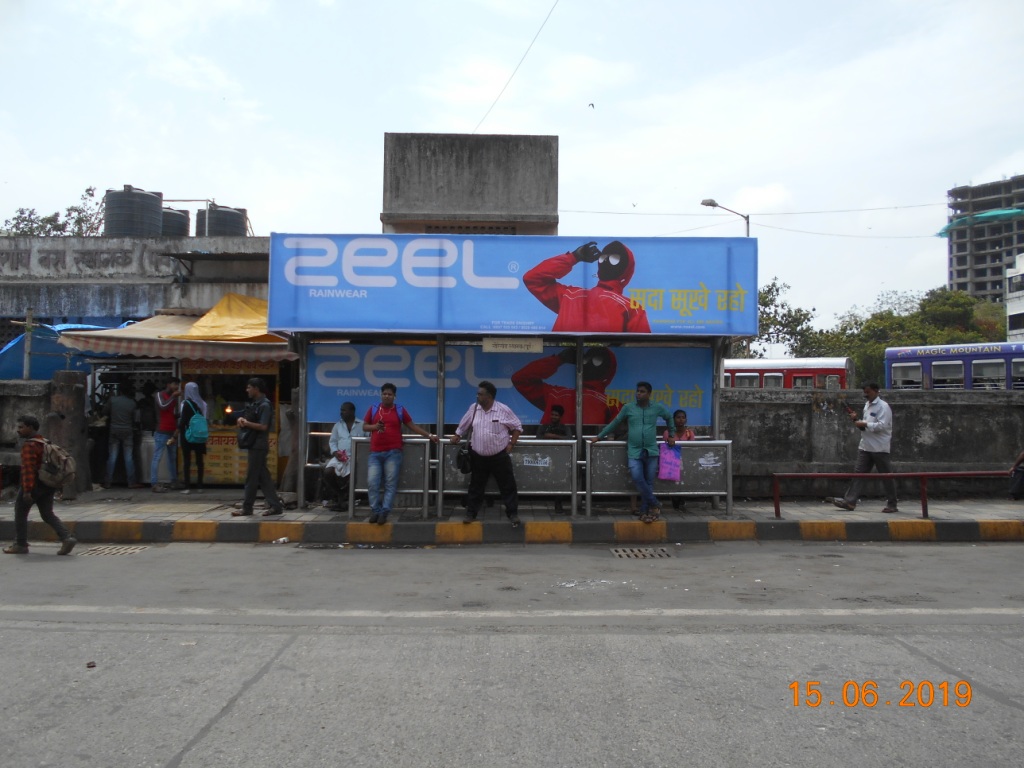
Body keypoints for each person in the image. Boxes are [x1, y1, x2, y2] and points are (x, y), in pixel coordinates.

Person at [591, 381, 675, 523]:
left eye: (642, 391)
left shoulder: (657, 407)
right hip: (634, 451)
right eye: (637, 391)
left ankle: (644, 511)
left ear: (649, 394)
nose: (638, 394)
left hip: (651, 450)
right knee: (637, 478)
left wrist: (671, 435)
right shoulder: (628, 408)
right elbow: (615, 422)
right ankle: (655, 503)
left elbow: (669, 417)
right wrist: (600, 436)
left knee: (648, 482)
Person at [523, 240, 651, 333]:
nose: (606, 261)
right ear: (627, 272)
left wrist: (574, 257)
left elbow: (533, 279)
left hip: (565, 367)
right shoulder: (631, 309)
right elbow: (640, 352)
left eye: (613, 258)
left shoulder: (570, 296)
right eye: (604, 257)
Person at [361, 383, 438, 525]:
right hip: (375, 453)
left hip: (393, 452)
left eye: (389, 394)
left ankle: (384, 512)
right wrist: (375, 427)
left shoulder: (400, 410)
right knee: (372, 483)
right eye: (384, 393)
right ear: (381, 395)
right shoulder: (373, 409)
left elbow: (412, 426)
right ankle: (375, 511)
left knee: (390, 483)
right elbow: (364, 426)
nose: (387, 396)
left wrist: (430, 435)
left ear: (394, 396)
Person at [451, 381, 523, 527]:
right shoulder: (474, 408)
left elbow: (517, 427)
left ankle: (513, 513)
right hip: (478, 456)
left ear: (489, 396)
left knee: (508, 485)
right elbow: (464, 424)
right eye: (478, 393)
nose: (477, 396)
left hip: (499, 456)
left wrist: (511, 444)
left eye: (480, 394)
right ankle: (471, 513)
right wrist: (457, 435)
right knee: (476, 486)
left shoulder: (503, 409)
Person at [3, 415, 77, 556]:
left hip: (34, 484)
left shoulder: (29, 445)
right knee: (47, 513)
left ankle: (20, 544)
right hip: (48, 484)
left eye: (21, 427)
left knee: (20, 513)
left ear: (30, 428)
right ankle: (67, 537)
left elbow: (28, 470)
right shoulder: (44, 442)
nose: (18, 430)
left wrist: (27, 491)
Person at [827, 383, 899, 514]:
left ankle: (892, 503)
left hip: (879, 447)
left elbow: (882, 426)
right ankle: (850, 501)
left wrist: (864, 423)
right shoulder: (867, 405)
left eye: (868, 392)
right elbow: (865, 427)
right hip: (865, 445)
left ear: (876, 391)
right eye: (865, 393)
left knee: (886, 476)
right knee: (858, 474)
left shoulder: (883, 407)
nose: (866, 395)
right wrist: (857, 421)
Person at [512, 346, 621, 426]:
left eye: (597, 360)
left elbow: (521, 379)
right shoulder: (612, 404)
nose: (588, 363)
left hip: (557, 451)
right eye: (586, 359)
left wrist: (559, 360)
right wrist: (559, 359)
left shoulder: (556, 395)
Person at [232, 377, 284, 517]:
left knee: (251, 478)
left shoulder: (265, 405)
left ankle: (247, 508)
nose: (247, 390)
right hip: (255, 444)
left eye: (249, 387)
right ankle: (275, 506)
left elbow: (263, 426)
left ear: (256, 388)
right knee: (264, 478)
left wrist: (246, 423)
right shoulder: (256, 404)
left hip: (258, 446)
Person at [322, 401, 361, 511]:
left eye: (344, 410)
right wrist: (335, 453)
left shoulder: (362, 425)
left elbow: (368, 442)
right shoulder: (338, 425)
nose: (341, 413)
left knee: (354, 475)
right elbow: (333, 442)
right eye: (341, 410)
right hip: (339, 458)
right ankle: (340, 494)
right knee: (327, 472)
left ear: (352, 411)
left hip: (356, 458)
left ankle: (345, 500)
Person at [103, 382, 142, 488]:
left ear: (119, 390)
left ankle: (107, 482)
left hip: (114, 430)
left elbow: (104, 412)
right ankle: (131, 482)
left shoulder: (112, 400)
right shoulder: (132, 403)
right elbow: (136, 419)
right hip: (128, 431)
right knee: (128, 457)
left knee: (112, 456)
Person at [536, 404, 574, 513]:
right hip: (544, 458)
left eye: (556, 415)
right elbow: (538, 438)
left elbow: (570, 438)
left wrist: (552, 436)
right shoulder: (543, 427)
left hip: (560, 460)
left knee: (559, 480)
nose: (553, 417)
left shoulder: (564, 428)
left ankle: (558, 503)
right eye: (552, 414)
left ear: (560, 417)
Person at [177, 381, 207, 494]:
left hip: (188, 435)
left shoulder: (185, 404)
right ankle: (200, 486)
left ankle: (187, 487)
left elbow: (183, 420)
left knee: (187, 461)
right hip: (200, 434)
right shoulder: (203, 404)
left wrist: (177, 430)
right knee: (199, 461)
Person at [151, 376, 180, 492]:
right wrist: (173, 397)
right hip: (162, 431)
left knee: (172, 457)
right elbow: (163, 407)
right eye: (174, 384)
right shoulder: (159, 395)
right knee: (157, 457)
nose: (176, 387)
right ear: (168, 384)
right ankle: (154, 483)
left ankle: (174, 481)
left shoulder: (174, 397)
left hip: (171, 431)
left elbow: (170, 414)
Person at [664, 410, 695, 509]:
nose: (681, 420)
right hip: (671, 462)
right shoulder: (668, 433)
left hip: (686, 462)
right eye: (678, 417)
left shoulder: (690, 433)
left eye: (683, 417)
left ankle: (681, 499)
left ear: (686, 419)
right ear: (673, 419)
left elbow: (692, 449)